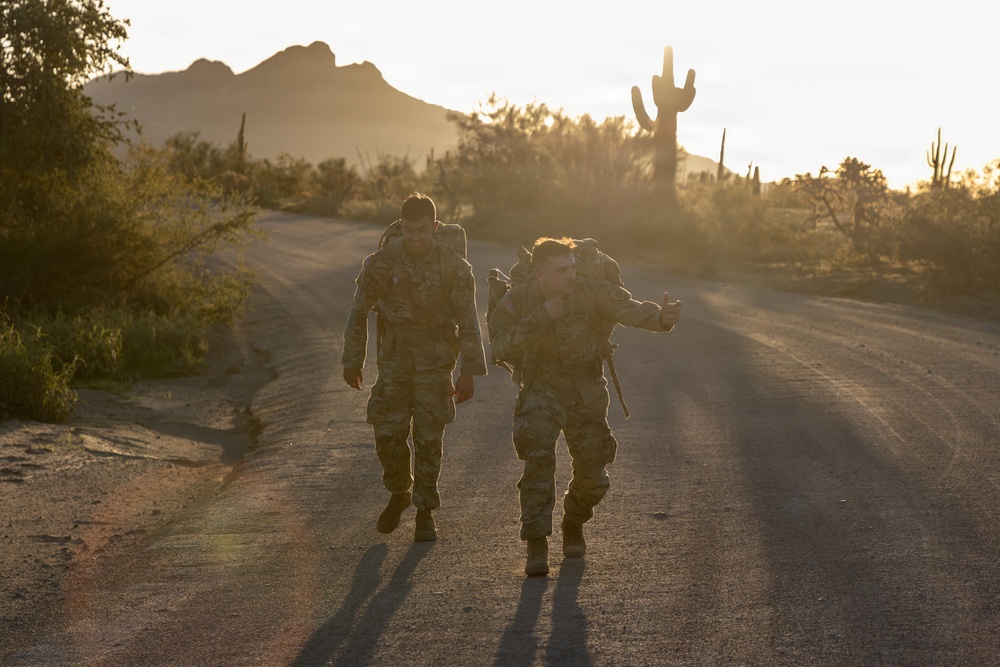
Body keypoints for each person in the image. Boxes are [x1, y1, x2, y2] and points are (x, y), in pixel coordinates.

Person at [488, 237, 682, 575]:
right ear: (539, 275)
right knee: (538, 457)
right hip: (541, 387)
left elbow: (630, 309)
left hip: (585, 390)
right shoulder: (519, 298)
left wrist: (662, 319)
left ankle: (574, 520)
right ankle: (537, 544)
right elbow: (499, 344)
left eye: (573, 268)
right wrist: (539, 317)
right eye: (562, 271)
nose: (571, 276)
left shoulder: (591, 291)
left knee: (595, 476)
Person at [342, 193, 487, 542]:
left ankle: (425, 512)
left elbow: (468, 320)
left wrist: (468, 372)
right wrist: (352, 360)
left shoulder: (454, 266)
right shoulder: (382, 261)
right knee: (386, 431)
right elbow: (358, 311)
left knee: (429, 438)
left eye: (423, 229)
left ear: (435, 228)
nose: (416, 237)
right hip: (394, 359)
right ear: (401, 227)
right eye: (409, 230)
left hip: (436, 361)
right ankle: (399, 491)